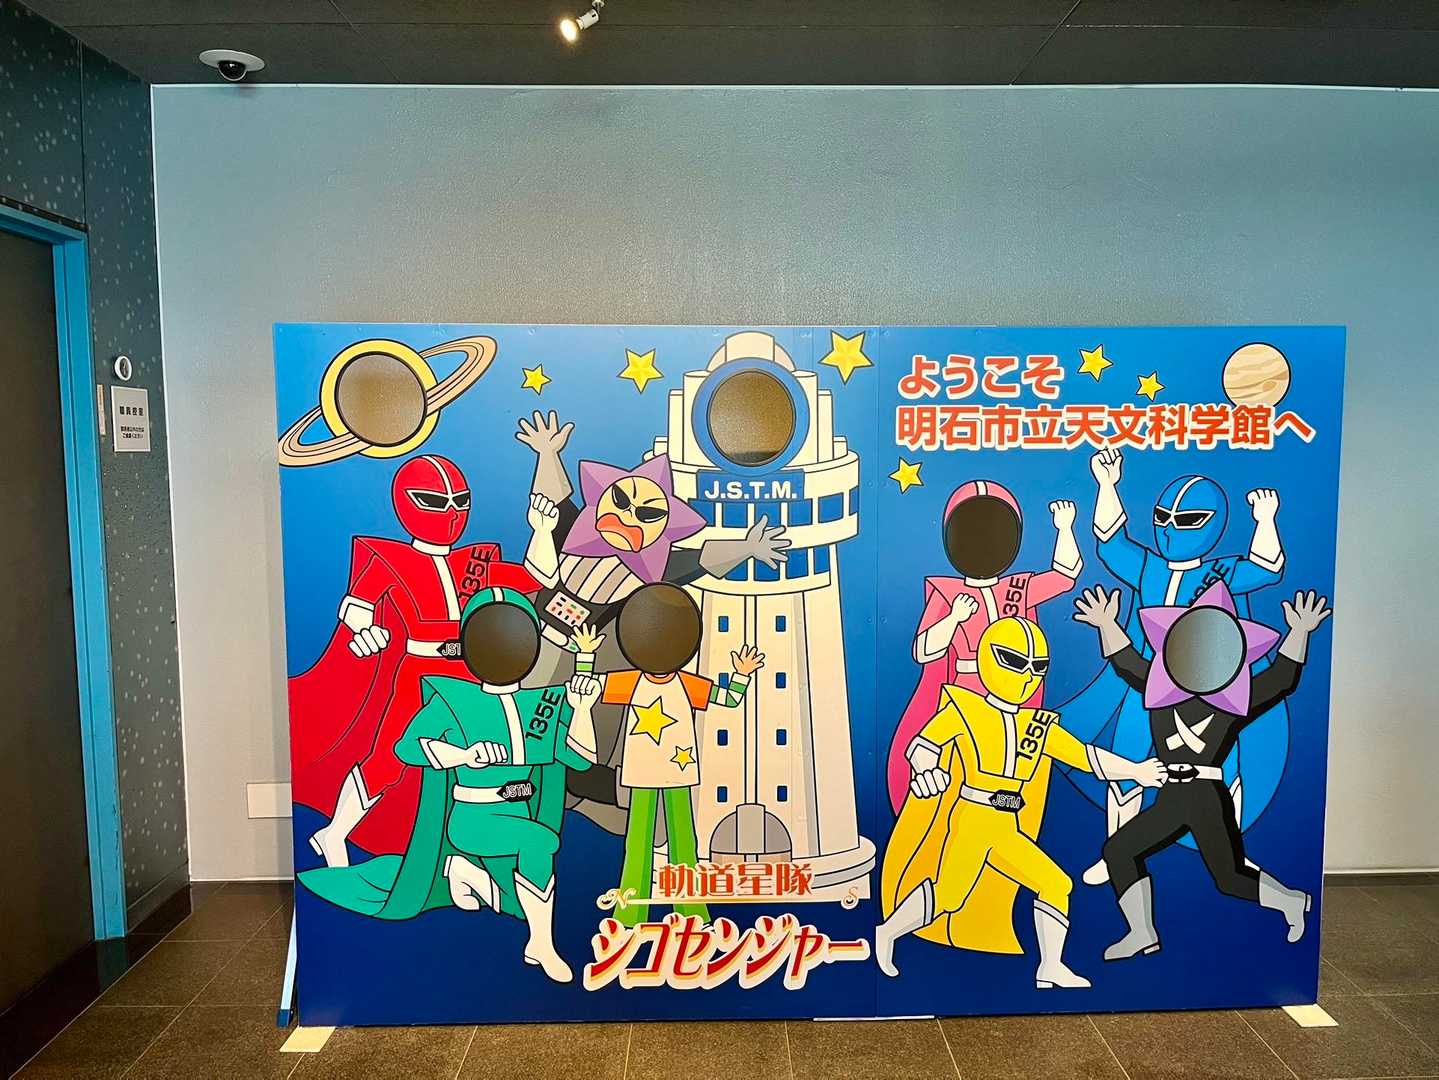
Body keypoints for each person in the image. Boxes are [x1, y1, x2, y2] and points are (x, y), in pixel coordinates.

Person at [298, 587, 599, 984]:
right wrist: (463, 754)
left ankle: (466, 873)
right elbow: (407, 747)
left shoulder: (540, 705)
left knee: (520, 893)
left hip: (519, 814)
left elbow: (580, 758)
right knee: (540, 844)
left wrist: (582, 710)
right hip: (473, 818)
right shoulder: (453, 700)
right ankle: (540, 943)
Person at [516, 410, 788, 833]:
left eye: (646, 515)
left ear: (667, 527)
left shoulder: (655, 566)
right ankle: (540, 789)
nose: (628, 518)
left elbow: (702, 559)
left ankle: (593, 793)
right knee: (528, 725)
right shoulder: (571, 534)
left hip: (592, 659)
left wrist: (747, 547)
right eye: (621, 503)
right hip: (539, 649)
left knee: (589, 733)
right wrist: (548, 453)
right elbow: (556, 500)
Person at [877, 616, 1165, 988]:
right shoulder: (965, 710)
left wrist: (1136, 771)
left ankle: (1050, 966)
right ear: (988, 658)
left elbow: (1087, 757)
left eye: (1038, 667)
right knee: (949, 896)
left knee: (1055, 883)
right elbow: (922, 745)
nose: (1028, 675)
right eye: (1015, 661)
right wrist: (926, 770)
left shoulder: (1036, 725)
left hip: (1005, 825)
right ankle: (888, 931)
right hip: (973, 818)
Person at [292, 456, 549, 866]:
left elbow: (538, 578)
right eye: (435, 501)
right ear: (407, 502)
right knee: (389, 758)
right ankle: (335, 833)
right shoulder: (391, 560)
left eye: (459, 501)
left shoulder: (474, 563)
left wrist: (542, 531)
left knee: (482, 760)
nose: (451, 513)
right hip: (421, 672)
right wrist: (365, 631)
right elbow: (356, 606)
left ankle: (462, 854)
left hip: (474, 675)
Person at [1071, 581, 1329, 959]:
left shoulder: (1232, 701)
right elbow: (1127, 662)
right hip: (1172, 796)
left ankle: (1291, 902)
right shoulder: (1159, 687)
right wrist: (1106, 623)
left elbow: (1279, 680)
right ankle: (1142, 932)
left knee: (1229, 877)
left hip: (1206, 797)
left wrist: (1300, 631)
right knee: (1120, 850)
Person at [1064, 447, 1286, 885]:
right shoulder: (1149, 566)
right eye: (1163, 517)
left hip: (1209, 686)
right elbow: (1110, 543)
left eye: (1187, 520)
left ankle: (1232, 856)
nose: (1170, 528)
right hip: (1148, 682)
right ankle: (1116, 852)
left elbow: (1266, 567)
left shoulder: (1220, 572)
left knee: (1222, 768)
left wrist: (1265, 520)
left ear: (1213, 523)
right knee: (1127, 757)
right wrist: (1107, 485)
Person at [571, 583, 763, 927]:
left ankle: (641, 914)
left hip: (662, 773)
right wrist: (741, 675)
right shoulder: (679, 683)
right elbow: (730, 699)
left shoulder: (638, 682)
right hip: (661, 773)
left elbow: (585, 686)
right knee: (661, 842)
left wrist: (585, 655)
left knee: (657, 842)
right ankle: (667, 912)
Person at [885, 481, 1083, 814]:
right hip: (965, 694)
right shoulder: (947, 593)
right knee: (958, 763)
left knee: (1006, 772)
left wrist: (1065, 529)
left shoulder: (1017, 589)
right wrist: (953, 618)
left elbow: (1065, 576)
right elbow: (924, 650)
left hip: (1013, 694)